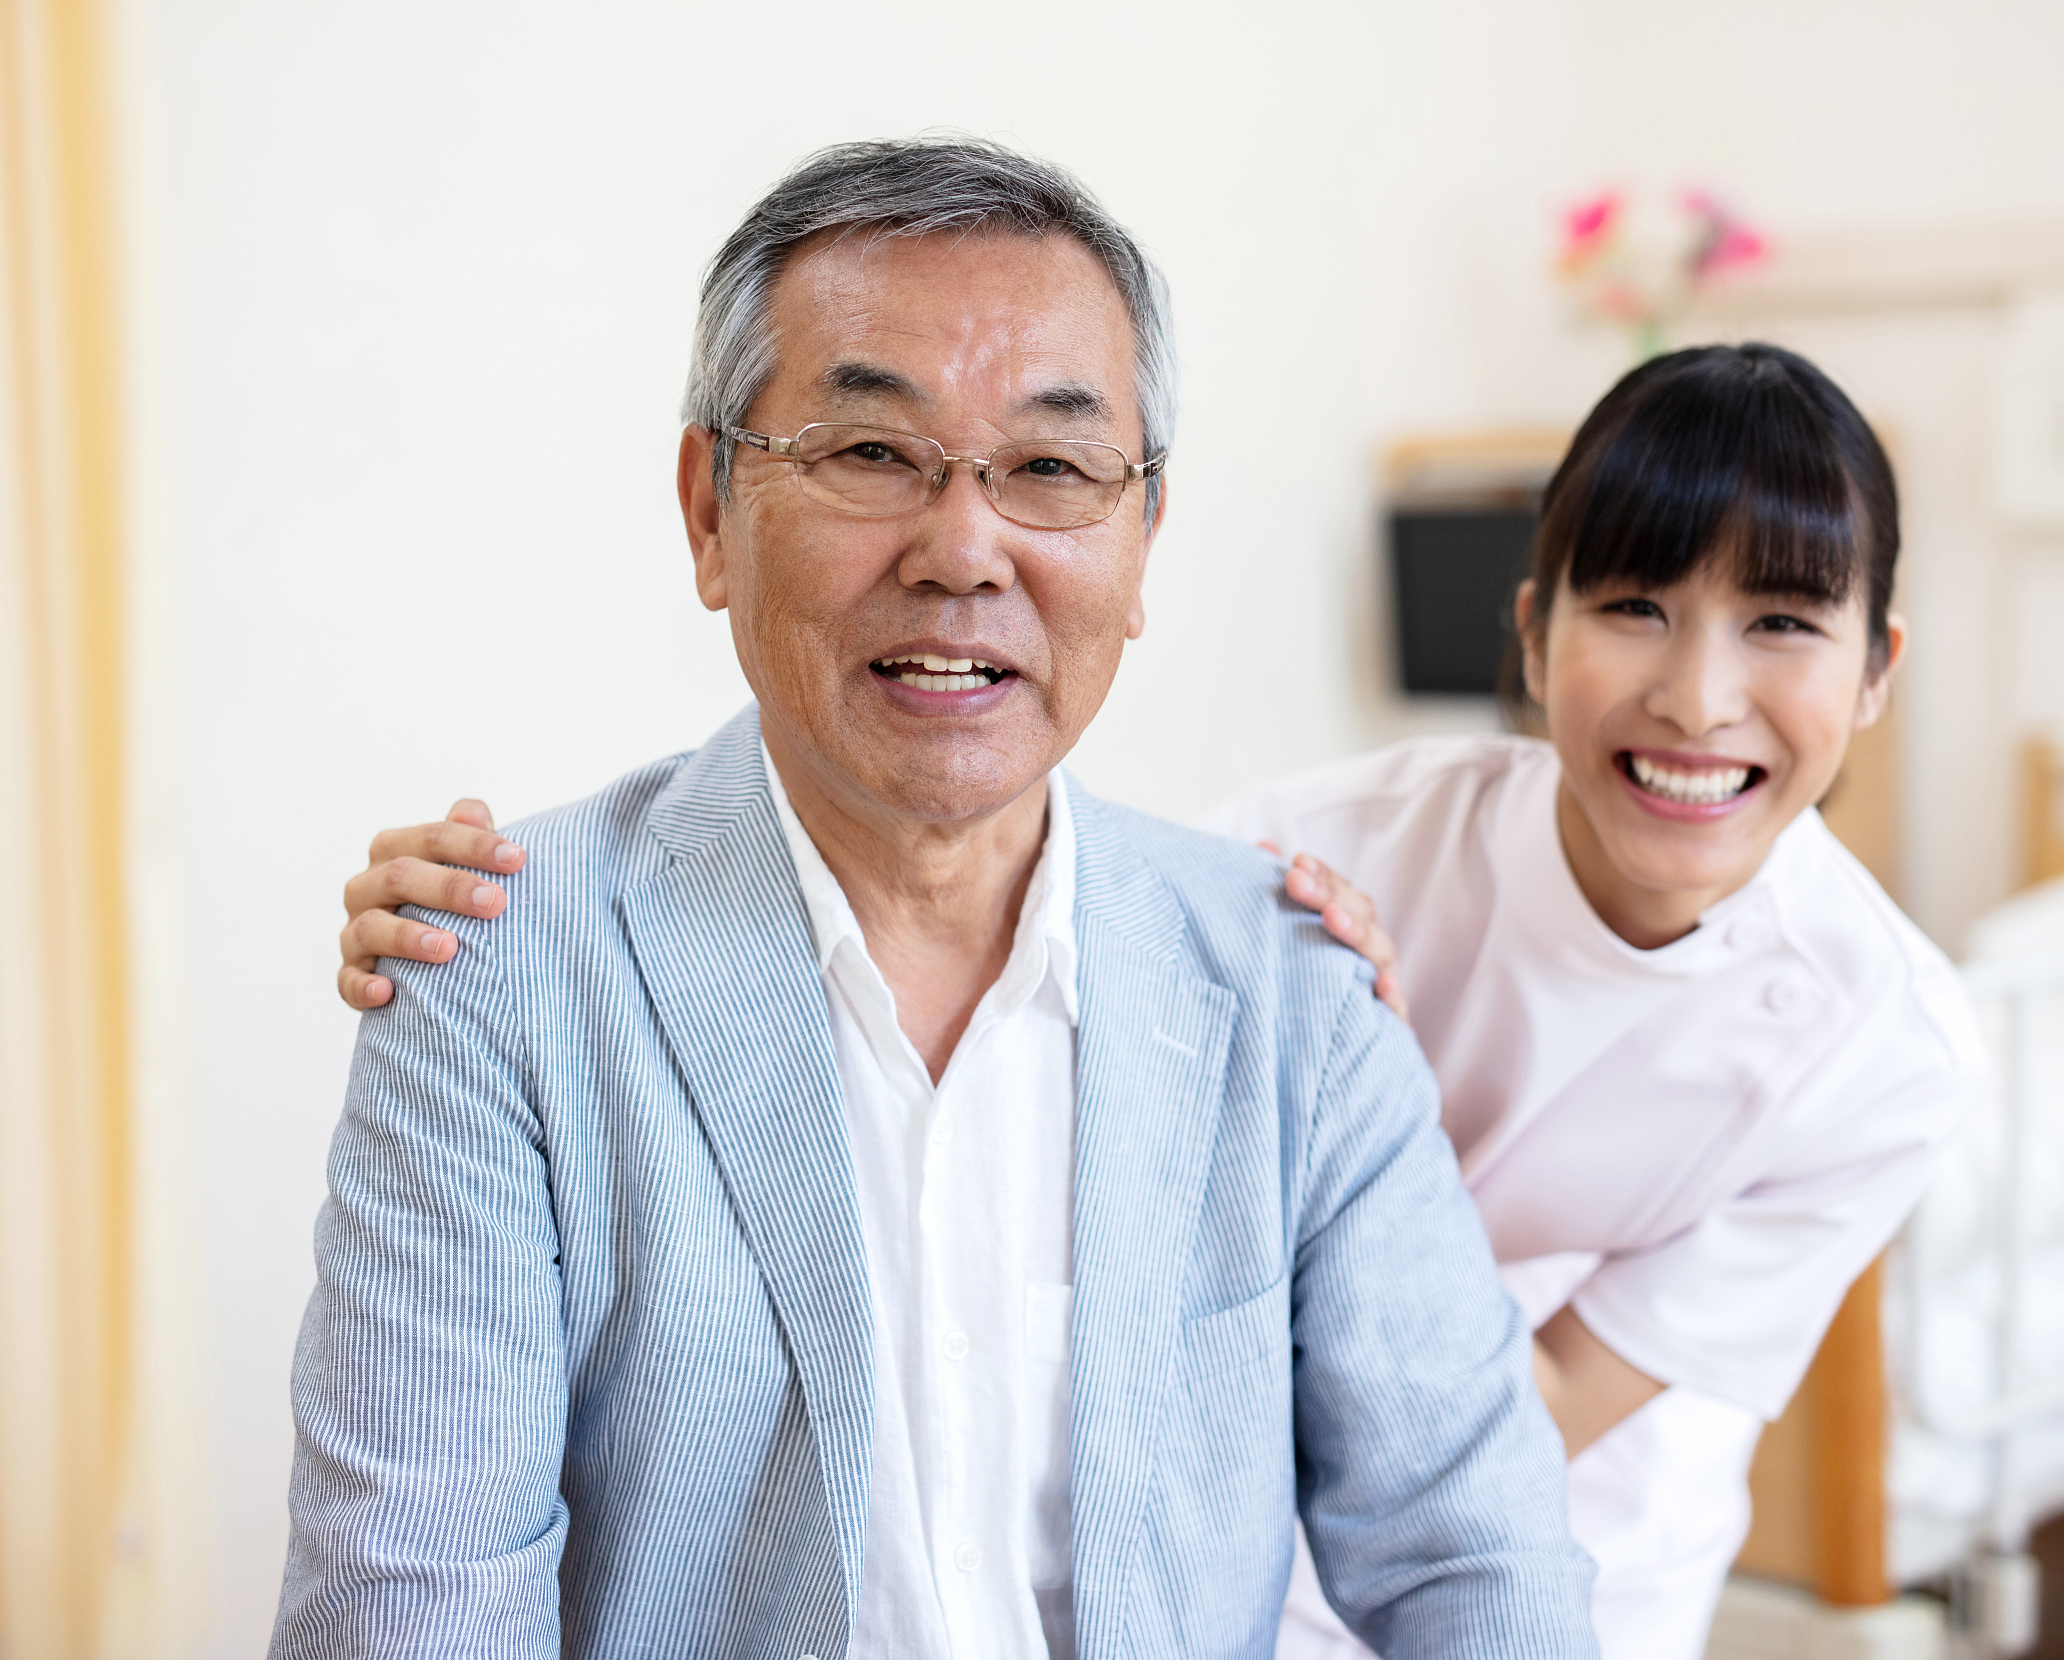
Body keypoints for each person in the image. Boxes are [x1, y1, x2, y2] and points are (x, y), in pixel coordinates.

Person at [336, 342, 1977, 1660]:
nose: (1700, 697)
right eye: (1636, 608)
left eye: (1782, 622)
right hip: (1207, 1550)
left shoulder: (1884, 1046)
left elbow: (1478, 1464)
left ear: (1880, 670)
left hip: (1548, 1532)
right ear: (1536, 635)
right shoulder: (1301, 875)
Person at [271, 137, 1594, 1660]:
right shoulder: (496, 976)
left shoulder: (1290, 985)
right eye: (871, 455)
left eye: (1049, 468)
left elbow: (1479, 1562)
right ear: (710, 511)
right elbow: (412, 1605)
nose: (966, 549)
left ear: (1143, 533)